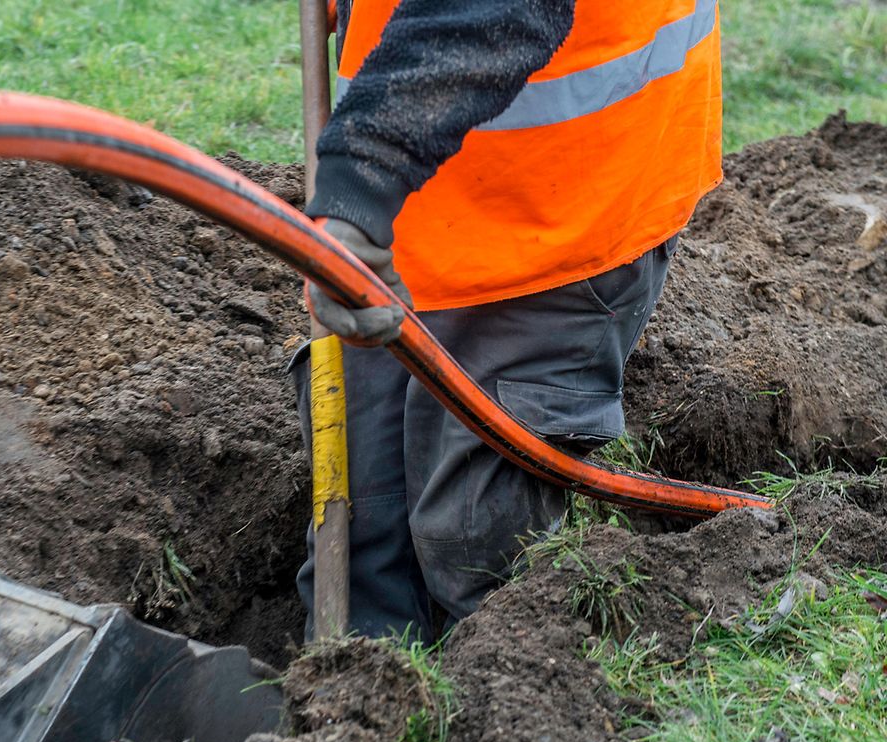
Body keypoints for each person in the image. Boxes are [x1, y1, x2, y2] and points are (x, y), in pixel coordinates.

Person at [295, 0, 722, 641]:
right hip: (406, 220)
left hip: (559, 218)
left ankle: (496, 712)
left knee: (470, 547)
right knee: (361, 538)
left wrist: (361, 178)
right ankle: (346, 719)